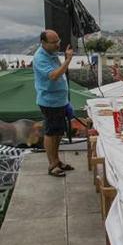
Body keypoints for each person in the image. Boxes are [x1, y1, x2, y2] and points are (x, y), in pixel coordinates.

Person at [33, 30, 75, 177]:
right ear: (43, 43)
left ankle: (57, 161)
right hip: (49, 101)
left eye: (58, 40)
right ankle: (52, 165)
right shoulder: (40, 58)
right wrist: (68, 61)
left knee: (58, 132)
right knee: (51, 133)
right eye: (54, 42)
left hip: (60, 101)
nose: (58, 44)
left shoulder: (52, 53)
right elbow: (54, 75)